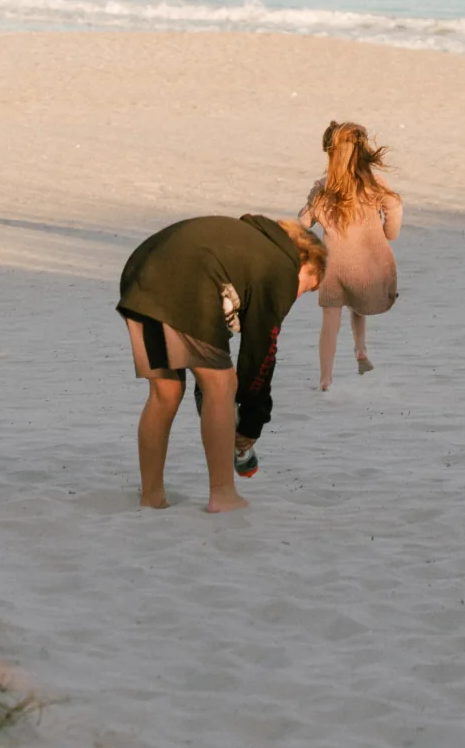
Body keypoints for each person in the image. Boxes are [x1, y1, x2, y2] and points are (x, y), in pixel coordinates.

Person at [116, 213, 326, 512]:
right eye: (307, 286)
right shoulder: (281, 266)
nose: (297, 295)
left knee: (166, 393)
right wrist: (252, 423)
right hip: (186, 281)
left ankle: (151, 495)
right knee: (221, 384)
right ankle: (223, 494)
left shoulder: (249, 243)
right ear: (305, 261)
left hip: (140, 276)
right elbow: (261, 353)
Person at [297, 121, 402, 390]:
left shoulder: (323, 187)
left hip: (334, 268)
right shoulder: (375, 184)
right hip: (366, 267)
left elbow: (303, 222)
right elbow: (394, 208)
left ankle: (325, 379)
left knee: (330, 323)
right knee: (358, 300)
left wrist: (313, 200)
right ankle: (360, 349)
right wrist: (389, 231)